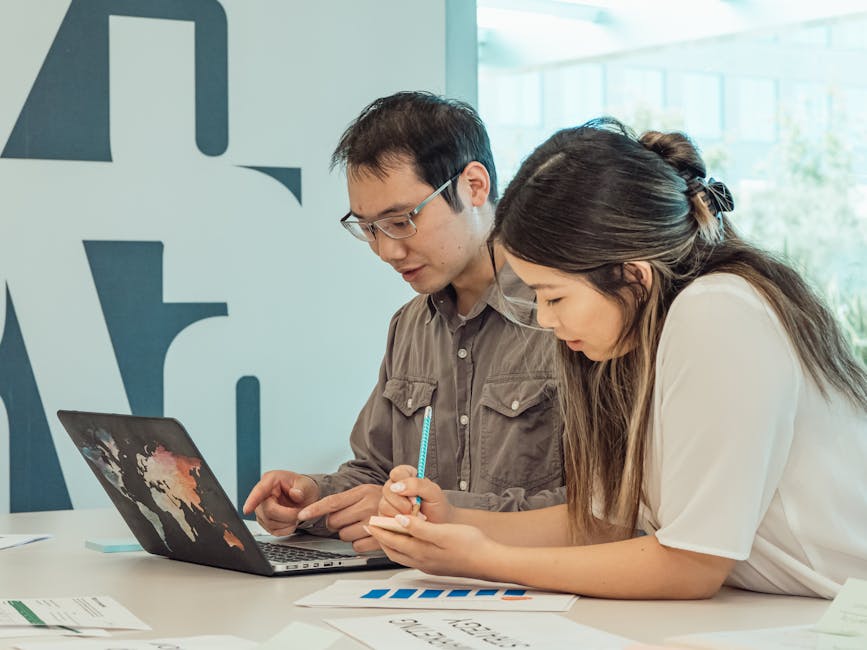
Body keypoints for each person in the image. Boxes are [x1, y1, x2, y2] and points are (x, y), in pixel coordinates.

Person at [370, 118, 867, 599]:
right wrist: (452, 521)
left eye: (554, 297)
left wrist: (481, 559)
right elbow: (605, 522)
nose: (543, 320)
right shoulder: (641, 335)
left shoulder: (717, 311)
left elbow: (691, 567)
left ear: (634, 276)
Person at [243, 92, 564, 552]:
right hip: (426, 591)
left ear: (474, 186)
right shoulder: (411, 325)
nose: (388, 250)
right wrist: (314, 499)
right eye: (369, 227)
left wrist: (424, 512)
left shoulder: (565, 315)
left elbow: (608, 505)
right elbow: (374, 472)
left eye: (402, 220)